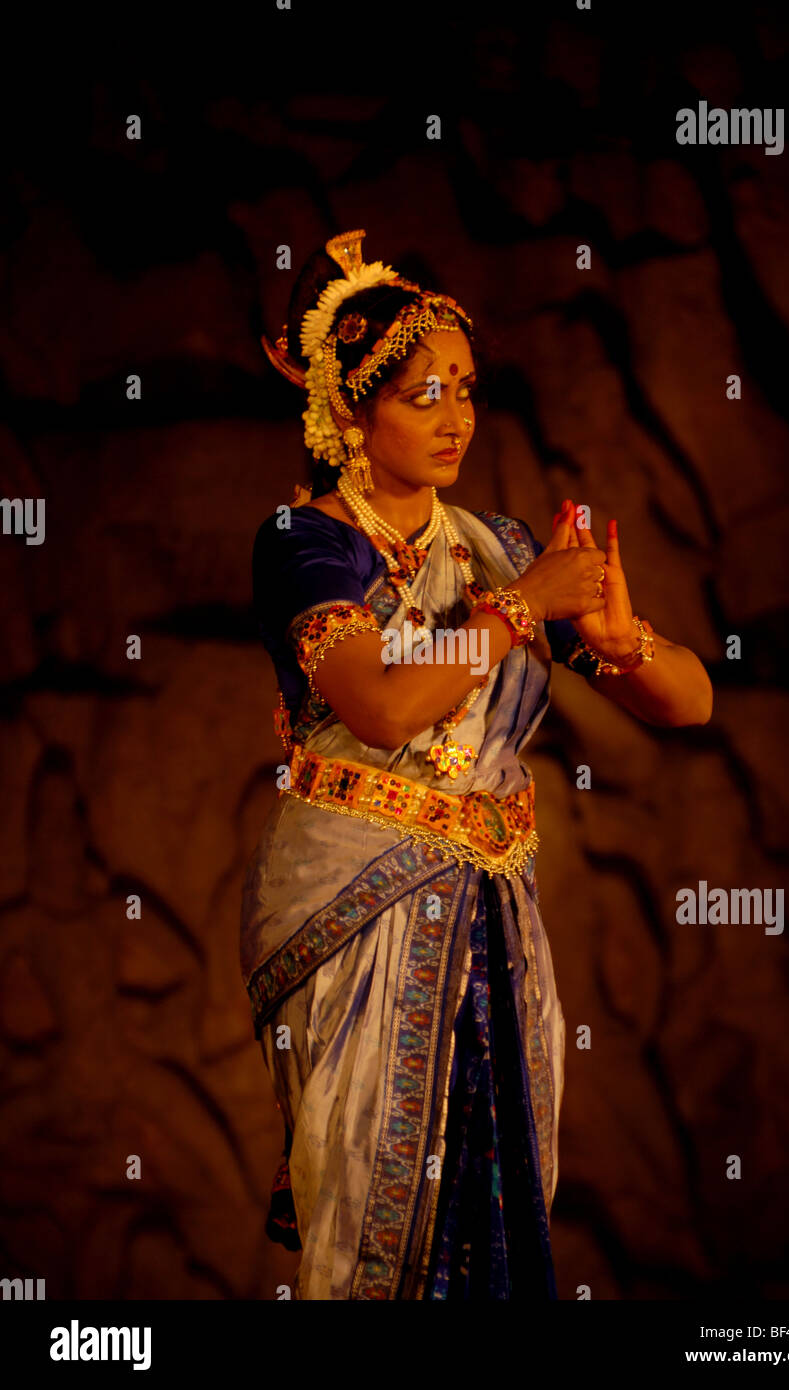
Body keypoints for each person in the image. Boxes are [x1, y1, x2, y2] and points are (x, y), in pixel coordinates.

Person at [240, 228, 712, 1301]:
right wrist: (520, 609)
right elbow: (382, 700)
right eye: (422, 393)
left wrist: (625, 636)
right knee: (371, 1213)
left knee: (491, 1234)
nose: (456, 415)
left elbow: (691, 703)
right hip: (359, 907)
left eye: (466, 388)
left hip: (493, 914)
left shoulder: (494, 543)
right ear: (351, 409)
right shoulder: (306, 545)